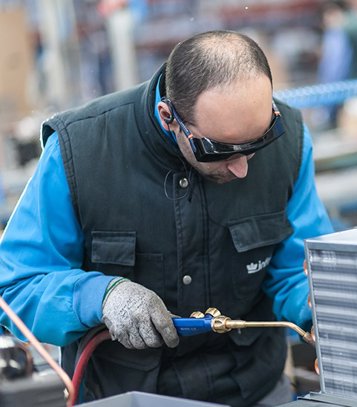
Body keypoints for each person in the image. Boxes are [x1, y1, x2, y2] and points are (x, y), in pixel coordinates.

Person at [0, 30, 333, 406]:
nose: (241, 169)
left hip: (254, 391)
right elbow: (15, 288)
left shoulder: (290, 144)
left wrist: (326, 314)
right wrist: (100, 297)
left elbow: (296, 272)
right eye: (219, 150)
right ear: (168, 116)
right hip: (126, 396)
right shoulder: (81, 151)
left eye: (258, 144)